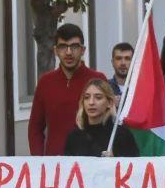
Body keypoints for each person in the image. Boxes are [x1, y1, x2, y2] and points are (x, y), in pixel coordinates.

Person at [28, 24, 106, 155]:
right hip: (54, 165)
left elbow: (108, 122)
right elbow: (35, 127)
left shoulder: (98, 79)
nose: (68, 52)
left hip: (90, 164)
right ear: (55, 51)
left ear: (82, 50)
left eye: (74, 46)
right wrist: (38, 159)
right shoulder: (45, 82)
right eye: (63, 47)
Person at [64, 78, 139, 157]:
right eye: (86, 97)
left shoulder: (121, 134)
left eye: (98, 97)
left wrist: (116, 160)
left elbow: (135, 166)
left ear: (109, 103)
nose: (91, 102)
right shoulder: (74, 136)